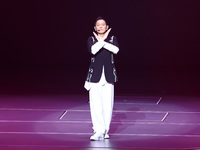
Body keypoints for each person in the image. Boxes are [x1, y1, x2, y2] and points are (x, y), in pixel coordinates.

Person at [84, 16, 119, 141]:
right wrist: (101, 41)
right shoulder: (91, 39)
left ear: (107, 27)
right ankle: (98, 130)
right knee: (95, 105)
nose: (100, 26)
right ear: (95, 27)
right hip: (94, 77)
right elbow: (93, 50)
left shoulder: (112, 38)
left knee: (107, 105)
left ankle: (105, 130)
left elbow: (115, 50)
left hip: (108, 76)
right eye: (98, 25)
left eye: (102, 24)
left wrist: (103, 41)